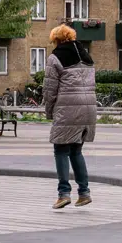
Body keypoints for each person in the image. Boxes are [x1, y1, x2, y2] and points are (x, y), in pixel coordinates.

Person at [44, 24, 95, 209]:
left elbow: (50, 89)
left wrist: (50, 111)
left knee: (61, 150)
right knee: (76, 151)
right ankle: (84, 192)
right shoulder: (87, 56)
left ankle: (63, 193)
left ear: (56, 39)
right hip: (88, 108)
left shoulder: (55, 57)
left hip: (67, 108)